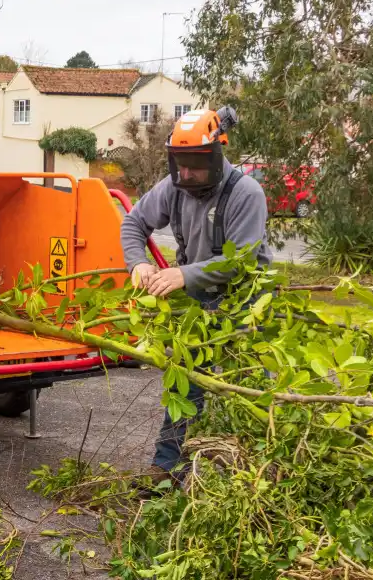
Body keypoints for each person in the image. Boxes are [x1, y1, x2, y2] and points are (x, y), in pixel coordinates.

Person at [119, 106, 272, 480]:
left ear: (217, 156)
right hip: (199, 299)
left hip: (245, 299)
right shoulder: (174, 186)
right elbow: (133, 223)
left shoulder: (246, 194)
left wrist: (182, 275)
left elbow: (241, 260)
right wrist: (138, 263)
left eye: (195, 165)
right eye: (179, 164)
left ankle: (258, 469)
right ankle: (167, 467)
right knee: (185, 383)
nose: (186, 173)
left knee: (248, 384)